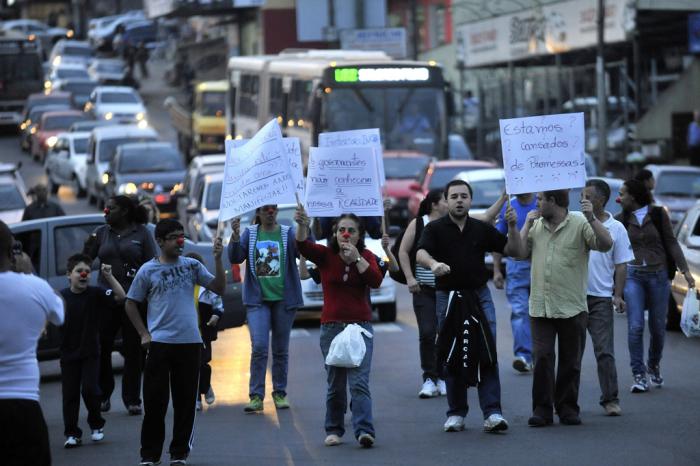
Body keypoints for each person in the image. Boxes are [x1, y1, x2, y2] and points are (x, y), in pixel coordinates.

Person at [416, 180, 524, 433]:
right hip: (448, 298)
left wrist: (512, 227)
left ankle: (493, 413)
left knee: (487, 351)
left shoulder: (480, 228)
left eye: (464, 196)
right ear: (447, 200)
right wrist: (433, 265)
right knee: (452, 353)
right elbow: (420, 254)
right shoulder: (435, 228)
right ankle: (456, 413)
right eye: (454, 196)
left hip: (479, 297)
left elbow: (516, 250)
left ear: (470, 200)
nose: (459, 200)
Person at [125, 219, 226, 466]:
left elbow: (218, 288)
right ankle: (150, 454)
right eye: (174, 237)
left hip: (190, 343)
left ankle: (179, 453)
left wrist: (219, 258)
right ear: (159, 242)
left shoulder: (192, 266)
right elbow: (130, 303)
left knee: (185, 402)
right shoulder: (147, 270)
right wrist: (143, 334)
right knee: (154, 402)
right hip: (159, 344)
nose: (180, 241)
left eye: (182, 236)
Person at [521, 189, 612, 427]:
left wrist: (592, 218)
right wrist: (522, 225)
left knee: (571, 361)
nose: (536, 203)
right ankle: (542, 410)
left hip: (572, 306)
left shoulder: (580, 223)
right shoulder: (536, 225)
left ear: (553, 201)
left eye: (540, 199)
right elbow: (519, 253)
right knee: (542, 357)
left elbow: (605, 244)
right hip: (540, 306)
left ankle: (567, 407)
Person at [295, 208, 383, 448]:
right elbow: (303, 246)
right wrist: (303, 225)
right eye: (341, 230)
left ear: (359, 235)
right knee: (335, 384)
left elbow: (376, 281)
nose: (345, 234)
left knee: (359, 383)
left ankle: (364, 430)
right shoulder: (325, 255)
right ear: (334, 233)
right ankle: (334, 429)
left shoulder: (366, 255)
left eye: (350, 231)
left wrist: (356, 258)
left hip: (360, 328)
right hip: (332, 328)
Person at [616, 179, 695, 392]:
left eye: (623, 194)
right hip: (633, 277)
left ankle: (653, 365)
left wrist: (685, 271)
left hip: (658, 277)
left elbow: (671, 242)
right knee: (635, 327)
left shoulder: (659, 215)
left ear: (634, 196)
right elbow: (609, 245)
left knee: (658, 328)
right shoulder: (621, 219)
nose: (619, 198)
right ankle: (639, 375)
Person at [83, 195, 157, 415]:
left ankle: (132, 398)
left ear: (124, 211)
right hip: (105, 299)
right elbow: (84, 261)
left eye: (111, 208)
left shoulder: (142, 233)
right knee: (102, 346)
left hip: (134, 301)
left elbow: (151, 266)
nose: (106, 211)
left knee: (133, 350)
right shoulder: (102, 233)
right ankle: (104, 394)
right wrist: (87, 247)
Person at [228, 205, 304, 413]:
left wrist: (305, 227)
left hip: (284, 299)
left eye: (273, 209)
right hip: (257, 300)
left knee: (280, 350)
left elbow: (305, 249)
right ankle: (256, 396)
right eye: (265, 209)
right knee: (260, 347)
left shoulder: (287, 233)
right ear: (258, 213)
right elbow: (235, 258)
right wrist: (234, 237)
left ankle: (280, 392)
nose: (270, 212)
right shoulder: (250, 233)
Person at [0, 220, 64, 466]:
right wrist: (28, 275)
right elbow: (59, 314)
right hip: (23, 405)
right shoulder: (35, 287)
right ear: (11, 251)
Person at [60, 255, 126, 448]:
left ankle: (96, 425)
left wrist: (109, 276)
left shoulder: (96, 294)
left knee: (90, 389)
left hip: (90, 352)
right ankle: (72, 433)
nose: (84, 275)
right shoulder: (61, 296)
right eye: (79, 271)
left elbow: (121, 297)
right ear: (68, 275)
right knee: (70, 395)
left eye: (87, 272)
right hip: (68, 354)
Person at [582, 180, 634, 416]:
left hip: (600, 298)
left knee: (604, 351)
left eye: (588, 196)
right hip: (573, 297)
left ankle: (610, 399)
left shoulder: (617, 228)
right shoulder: (576, 222)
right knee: (571, 354)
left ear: (601, 200)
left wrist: (618, 295)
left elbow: (621, 265)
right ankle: (565, 402)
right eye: (582, 196)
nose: (584, 200)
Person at [398, 189, 448, 398]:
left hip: (447, 290)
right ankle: (429, 378)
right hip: (424, 291)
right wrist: (410, 278)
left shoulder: (452, 223)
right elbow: (402, 251)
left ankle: (444, 376)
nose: (451, 203)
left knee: (445, 334)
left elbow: (485, 218)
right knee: (427, 333)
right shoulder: (419, 223)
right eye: (447, 199)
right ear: (435, 204)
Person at [492, 192, 538, 373]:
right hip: (516, 266)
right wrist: (496, 269)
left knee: (540, 313)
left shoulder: (541, 202)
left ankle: (540, 355)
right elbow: (498, 240)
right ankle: (524, 356)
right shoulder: (508, 207)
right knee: (520, 312)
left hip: (540, 265)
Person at [185, 252, 224, 411]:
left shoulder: (207, 286)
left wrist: (216, 315)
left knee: (203, 364)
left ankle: (206, 386)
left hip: (203, 333)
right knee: (190, 367)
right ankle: (196, 398)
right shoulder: (182, 286)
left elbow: (218, 303)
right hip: (186, 335)